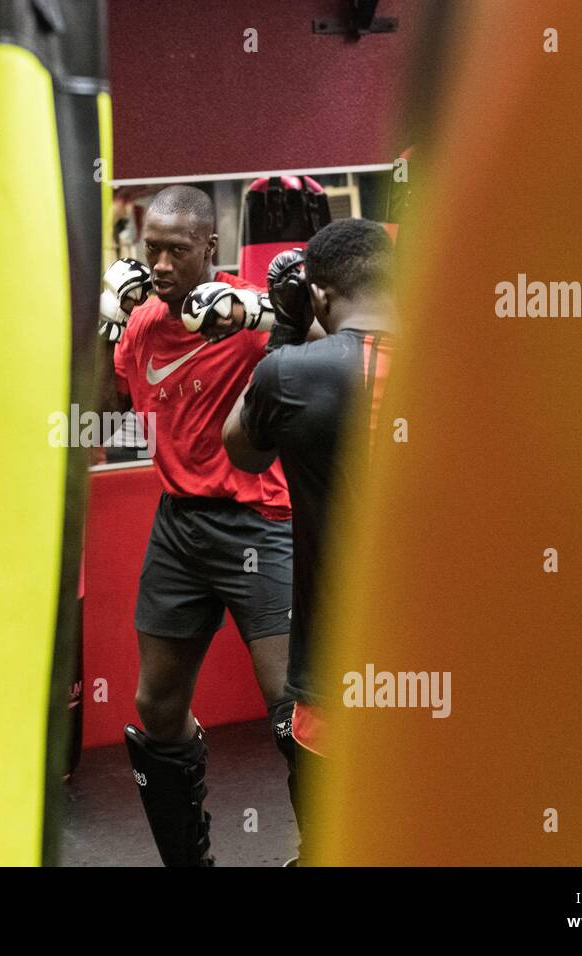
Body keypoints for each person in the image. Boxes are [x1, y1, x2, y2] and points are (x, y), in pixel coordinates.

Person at [97, 184, 305, 866]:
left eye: (175, 250)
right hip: (179, 528)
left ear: (208, 249)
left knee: (289, 707)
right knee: (156, 705)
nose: (158, 263)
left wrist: (269, 311)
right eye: (150, 248)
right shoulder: (141, 323)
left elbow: (334, 335)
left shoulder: (245, 313)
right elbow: (109, 411)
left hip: (258, 524)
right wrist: (102, 328)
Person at [222, 217, 397, 864]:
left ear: (319, 295)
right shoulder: (465, 362)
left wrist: (285, 328)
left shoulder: (293, 374)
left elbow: (239, 449)